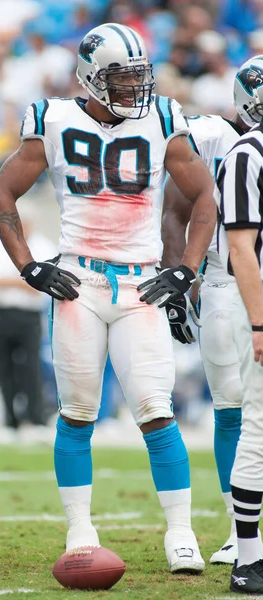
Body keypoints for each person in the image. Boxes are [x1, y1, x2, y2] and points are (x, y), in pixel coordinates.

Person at [0, 23, 216, 574]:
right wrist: (30, 266)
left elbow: (204, 194)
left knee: (156, 412)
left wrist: (185, 270)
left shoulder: (164, 117)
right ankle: (80, 527)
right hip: (78, 281)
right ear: (91, 77)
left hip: (141, 284)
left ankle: (181, 532)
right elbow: (2, 194)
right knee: (78, 413)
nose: (136, 86)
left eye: (139, 74)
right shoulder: (53, 118)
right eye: (122, 76)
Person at [160, 80, 250, 563]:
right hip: (224, 283)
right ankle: (243, 529)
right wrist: (180, 281)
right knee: (231, 406)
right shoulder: (214, 135)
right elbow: (177, 209)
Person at [212, 54, 263, 595]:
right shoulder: (248, 153)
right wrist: (260, 322)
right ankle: (248, 558)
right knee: (258, 430)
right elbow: (242, 250)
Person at [0, 200, 56, 431]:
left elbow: (41, 286)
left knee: (32, 368)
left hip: (29, 315)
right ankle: (9, 419)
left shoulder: (43, 246)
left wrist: (11, 281)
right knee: (4, 368)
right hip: (1, 312)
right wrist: (23, 280)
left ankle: (36, 417)